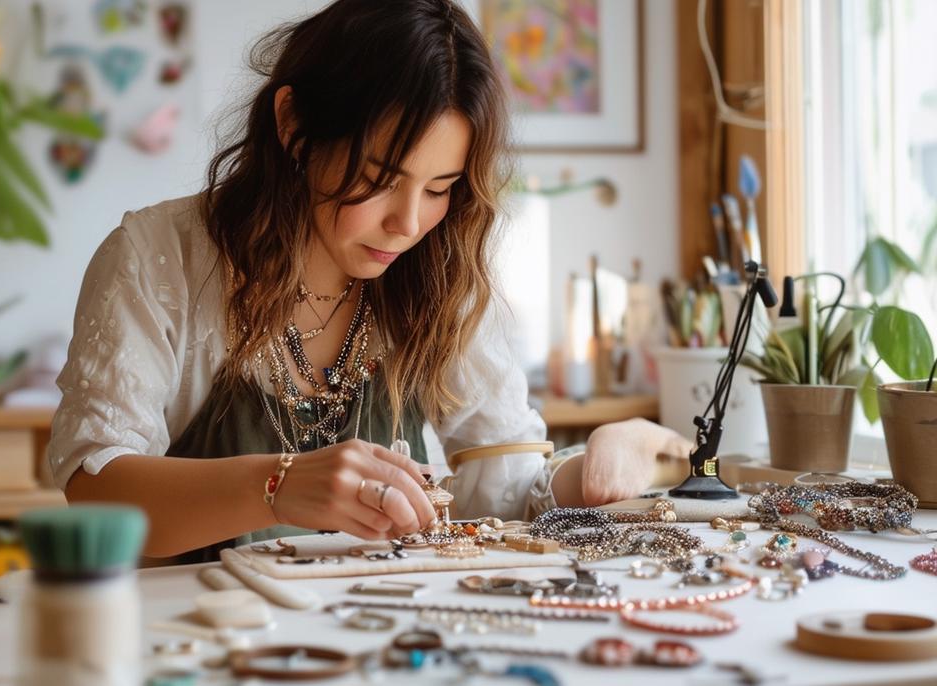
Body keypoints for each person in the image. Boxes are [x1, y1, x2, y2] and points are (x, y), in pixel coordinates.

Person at [48, 0, 690, 562]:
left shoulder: (442, 275)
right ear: (294, 125)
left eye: (440, 188)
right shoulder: (161, 257)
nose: (407, 223)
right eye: (380, 179)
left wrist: (597, 470)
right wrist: (277, 485)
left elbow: (506, 490)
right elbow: (98, 493)